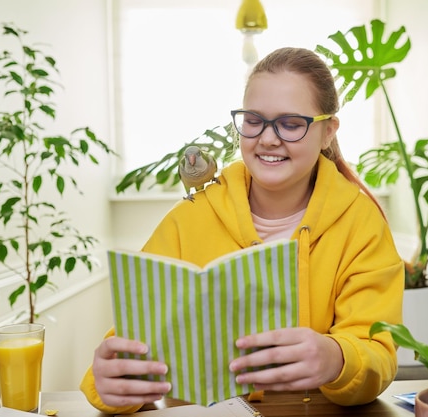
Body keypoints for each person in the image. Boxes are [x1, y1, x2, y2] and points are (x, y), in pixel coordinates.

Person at [80, 47, 404, 414]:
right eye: (254, 120)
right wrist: (109, 383)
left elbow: (378, 355)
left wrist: (337, 358)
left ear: (327, 132)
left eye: (291, 124)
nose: (267, 138)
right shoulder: (187, 219)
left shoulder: (361, 223)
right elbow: (129, 346)